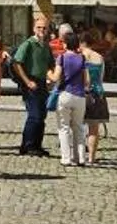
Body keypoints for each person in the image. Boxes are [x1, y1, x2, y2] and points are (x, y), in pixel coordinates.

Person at [10, 13, 54, 158]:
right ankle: (27, 146)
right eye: (39, 27)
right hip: (30, 83)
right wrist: (27, 81)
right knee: (34, 115)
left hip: (41, 83)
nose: (42, 30)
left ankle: (36, 145)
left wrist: (50, 78)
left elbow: (49, 64)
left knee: (41, 115)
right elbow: (17, 63)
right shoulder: (28, 44)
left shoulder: (45, 46)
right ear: (34, 29)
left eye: (45, 28)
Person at [51, 29, 91, 167]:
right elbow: (87, 81)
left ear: (65, 44)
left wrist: (47, 73)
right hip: (80, 96)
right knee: (79, 128)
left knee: (64, 127)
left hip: (65, 95)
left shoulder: (61, 58)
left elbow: (55, 77)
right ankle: (80, 158)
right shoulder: (82, 58)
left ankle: (66, 158)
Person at [82, 34, 109, 166]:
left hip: (82, 94)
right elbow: (101, 78)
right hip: (98, 94)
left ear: (81, 43)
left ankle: (80, 155)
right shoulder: (100, 57)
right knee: (94, 129)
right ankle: (91, 158)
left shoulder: (80, 56)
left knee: (77, 127)